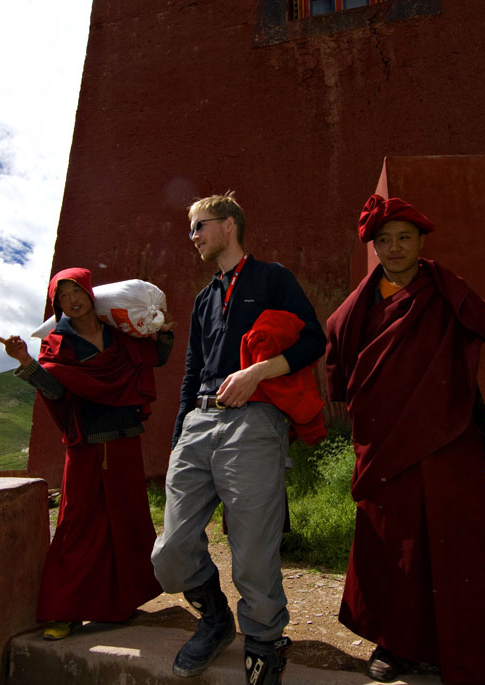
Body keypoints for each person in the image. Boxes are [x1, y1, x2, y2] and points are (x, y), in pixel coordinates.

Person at [325, 195, 485, 684]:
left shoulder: (447, 291)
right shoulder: (357, 308)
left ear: (421, 241)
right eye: (383, 241)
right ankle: (395, 644)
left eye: (403, 238)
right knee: (395, 542)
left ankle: (469, 649)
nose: (394, 248)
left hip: (447, 432)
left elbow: (467, 349)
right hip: (386, 442)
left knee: (459, 542)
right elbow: (344, 367)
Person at [151, 192, 326, 684]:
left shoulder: (273, 278)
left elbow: (314, 338)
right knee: (169, 553)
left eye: (199, 226)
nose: (193, 237)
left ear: (228, 225)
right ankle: (215, 618)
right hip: (198, 425)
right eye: (191, 230)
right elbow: (190, 372)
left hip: (255, 421)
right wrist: (179, 434)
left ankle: (265, 641)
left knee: (252, 549)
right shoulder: (205, 297)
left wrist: (258, 372)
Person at [0, 266, 174, 641]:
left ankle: (122, 603)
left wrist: (165, 333)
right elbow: (57, 391)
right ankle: (66, 610)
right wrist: (26, 361)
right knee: (77, 524)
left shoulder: (120, 335)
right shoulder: (56, 344)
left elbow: (152, 357)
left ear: (90, 293)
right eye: (61, 297)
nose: (71, 301)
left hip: (124, 439)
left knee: (126, 519)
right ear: (56, 304)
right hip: (86, 444)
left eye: (76, 292)